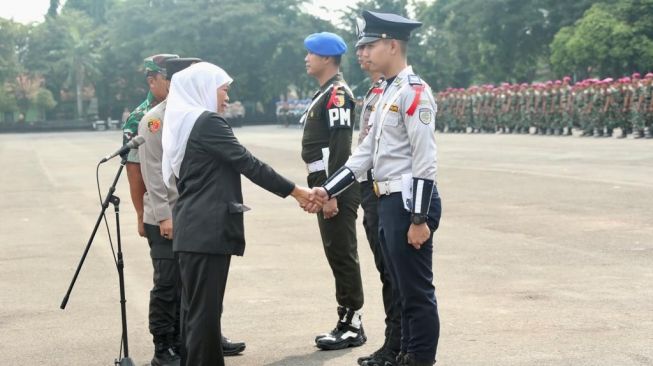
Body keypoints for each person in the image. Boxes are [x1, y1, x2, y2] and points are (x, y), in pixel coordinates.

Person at [307, 10, 443, 366]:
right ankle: (402, 352)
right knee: (398, 286)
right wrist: (328, 189)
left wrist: (419, 218)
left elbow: (425, 160)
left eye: (371, 44)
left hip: (407, 202)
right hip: (387, 200)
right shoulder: (387, 92)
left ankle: (419, 358)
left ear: (392, 45)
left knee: (416, 292)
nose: (363, 53)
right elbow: (364, 152)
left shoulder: (414, 93)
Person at [161, 62, 317, 366]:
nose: (227, 98)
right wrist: (297, 191)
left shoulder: (183, 122)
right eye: (223, 90)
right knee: (204, 318)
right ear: (204, 89)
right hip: (207, 231)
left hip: (192, 229)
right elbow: (248, 163)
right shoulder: (206, 123)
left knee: (196, 316)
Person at [137, 58, 247, 366]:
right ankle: (164, 346)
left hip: (193, 216)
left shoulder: (195, 116)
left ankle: (199, 341)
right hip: (169, 215)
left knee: (197, 290)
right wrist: (162, 216)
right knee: (168, 285)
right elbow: (151, 173)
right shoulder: (155, 119)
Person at [301, 31, 366, 350]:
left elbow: (340, 148)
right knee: (335, 251)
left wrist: (332, 193)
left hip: (334, 187)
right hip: (325, 185)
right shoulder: (326, 92)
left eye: (311, 53)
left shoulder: (337, 93)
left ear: (327, 58)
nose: (306, 58)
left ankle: (352, 324)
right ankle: (346, 317)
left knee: (342, 253)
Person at [353, 40, 402, 366]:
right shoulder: (375, 92)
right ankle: (394, 342)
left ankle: (399, 345)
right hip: (369, 189)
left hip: (391, 190)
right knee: (386, 272)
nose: (362, 54)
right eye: (359, 48)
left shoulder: (401, 92)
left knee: (398, 275)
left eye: (369, 46)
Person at [123, 54, 179, 239]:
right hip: (159, 209)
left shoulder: (181, 108)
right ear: (151, 81)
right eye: (167, 79)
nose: (173, 83)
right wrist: (141, 215)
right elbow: (135, 170)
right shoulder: (141, 117)